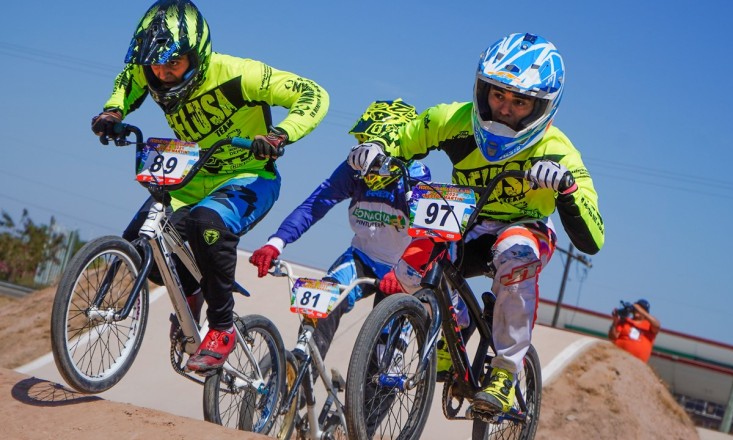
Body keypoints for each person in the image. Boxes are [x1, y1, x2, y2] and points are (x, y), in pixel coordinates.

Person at [346, 32, 604, 416]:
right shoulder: (453, 119)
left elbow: (593, 237)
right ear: (482, 89)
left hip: (525, 226)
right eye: (498, 94)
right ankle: (453, 331)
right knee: (408, 271)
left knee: (514, 254)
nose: (504, 108)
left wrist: (566, 188)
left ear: (542, 107)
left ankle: (506, 371)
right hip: (466, 216)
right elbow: (406, 137)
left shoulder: (557, 150)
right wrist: (378, 148)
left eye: (520, 102)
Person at [89, 0, 329, 373]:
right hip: (193, 175)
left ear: (197, 56)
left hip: (249, 176)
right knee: (141, 242)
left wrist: (280, 134)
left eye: (174, 63)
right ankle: (192, 293)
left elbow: (313, 94)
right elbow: (129, 79)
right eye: (156, 65)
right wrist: (112, 111)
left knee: (207, 223)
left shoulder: (239, 74)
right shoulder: (149, 72)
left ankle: (222, 328)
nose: (163, 74)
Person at [249, 98, 430, 360]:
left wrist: (407, 272)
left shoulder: (414, 175)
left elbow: (430, 235)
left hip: (404, 268)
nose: (362, 155)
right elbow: (314, 205)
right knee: (321, 303)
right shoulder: (353, 169)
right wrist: (275, 242)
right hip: (362, 257)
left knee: (383, 359)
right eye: (360, 141)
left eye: (369, 142)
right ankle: (301, 368)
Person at [607, 299, 660, 363]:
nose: (638, 310)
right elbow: (612, 337)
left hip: (637, 364)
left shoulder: (649, 325)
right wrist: (615, 322)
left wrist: (641, 310)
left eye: (641, 308)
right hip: (619, 359)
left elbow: (657, 325)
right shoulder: (625, 321)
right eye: (637, 308)